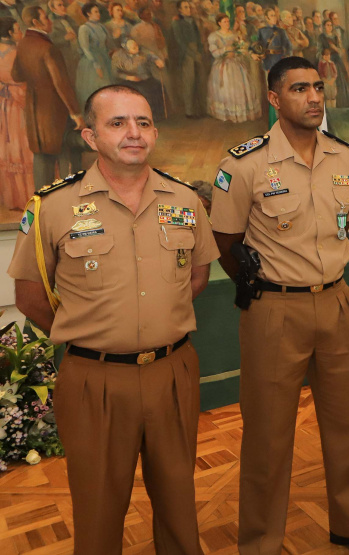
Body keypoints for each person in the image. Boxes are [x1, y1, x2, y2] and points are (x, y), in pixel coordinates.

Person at [7, 84, 218, 554]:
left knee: (179, 503)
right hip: (93, 380)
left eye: (143, 123)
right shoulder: (53, 206)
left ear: (155, 132)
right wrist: (92, 330)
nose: (133, 133)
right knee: (98, 511)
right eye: (117, 123)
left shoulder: (184, 199)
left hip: (172, 372)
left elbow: (197, 277)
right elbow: (30, 297)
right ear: (89, 136)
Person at [209, 56, 349, 555]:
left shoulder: (343, 157)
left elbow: (346, 223)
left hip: (336, 301)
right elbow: (225, 241)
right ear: (274, 99)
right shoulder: (243, 165)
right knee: (268, 438)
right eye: (298, 89)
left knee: (346, 425)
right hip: (275, 311)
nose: (313, 97)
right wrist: (262, 287)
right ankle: (261, 543)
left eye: (317, 87)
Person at [12, 5, 83, 188]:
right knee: (64, 153)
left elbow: (16, 75)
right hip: (54, 110)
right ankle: (67, 203)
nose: (49, 20)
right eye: (45, 17)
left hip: (34, 112)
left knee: (41, 156)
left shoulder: (23, 45)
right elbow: (61, 84)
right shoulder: (48, 48)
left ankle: (41, 204)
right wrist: (76, 113)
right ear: (36, 22)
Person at [0, 17, 33, 211]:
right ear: (10, 33)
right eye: (17, 29)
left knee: (9, 147)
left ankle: (12, 199)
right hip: (16, 107)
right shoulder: (16, 53)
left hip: (3, 105)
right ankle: (25, 198)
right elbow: (24, 84)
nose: (20, 32)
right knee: (21, 147)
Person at [206, 13, 261, 122]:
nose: (227, 23)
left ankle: (238, 114)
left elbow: (241, 49)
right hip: (222, 65)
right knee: (226, 89)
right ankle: (227, 114)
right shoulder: (214, 36)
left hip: (236, 64)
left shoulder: (235, 35)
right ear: (219, 23)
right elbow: (214, 53)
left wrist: (246, 53)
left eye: (228, 21)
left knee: (239, 88)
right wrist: (225, 50)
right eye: (224, 22)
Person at [111, 38, 166, 120]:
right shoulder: (118, 56)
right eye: (133, 48)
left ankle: (157, 114)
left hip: (144, 78)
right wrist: (129, 77)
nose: (136, 48)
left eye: (136, 46)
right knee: (142, 92)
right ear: (126, 49)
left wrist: (157, 60)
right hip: (128, 80)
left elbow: (150, 55)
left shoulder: (141, 51)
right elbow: (116, 73)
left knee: (157, 86)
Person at [76, 3, 113, 105]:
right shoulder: (84, 28)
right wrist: (96, 65)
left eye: (98, 12)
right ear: (88, 14)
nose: (98, 14)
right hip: (91, 62)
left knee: (109, 87)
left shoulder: (102, 27)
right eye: (95, 12)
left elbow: (107, 43)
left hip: (104, 59)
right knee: (97, 88)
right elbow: (85, 48)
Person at [172, 0, 205, 118]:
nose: (189, 9)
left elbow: (198, 38)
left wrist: (199, 51)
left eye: (189, 7)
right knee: (189, 82)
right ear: (180, 10)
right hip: (186, 55)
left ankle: (200, 110)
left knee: (200, 81)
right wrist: (192, 53)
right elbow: (180, 41)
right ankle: (190, 112)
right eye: (186, 7)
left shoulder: (193, 21)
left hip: (197, 52)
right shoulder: (177, 22)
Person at [317, 18, 349, 107]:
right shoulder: (321, 37)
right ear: (324, 27)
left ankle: (342, 103)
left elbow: (340, 50)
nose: (329, 27)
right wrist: (325, 59)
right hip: (326, 61)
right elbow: (319, 51)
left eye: (331, 25)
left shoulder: (335, 37)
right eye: (327, 25)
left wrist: (335, 49)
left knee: (341, 80)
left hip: (336, 60)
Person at [46, 0, 78, 83]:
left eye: (63, 5)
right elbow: (51, 41)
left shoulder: (69, 18)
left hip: (77, 52)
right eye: (59, 5)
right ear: (53, 9)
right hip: (65, 56)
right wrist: (65, 38)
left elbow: (77, 30)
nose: (63, 7)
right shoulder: (50, 22)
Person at [258, 8, 291, 73]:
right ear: (266, 18)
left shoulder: (281, 31)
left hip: (279, 59)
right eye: (271, 16)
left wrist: (287, 57)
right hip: (268, 60)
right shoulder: (261, 31)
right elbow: (259, 45)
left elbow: (288, 45)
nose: (274, 18)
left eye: (275, 15)